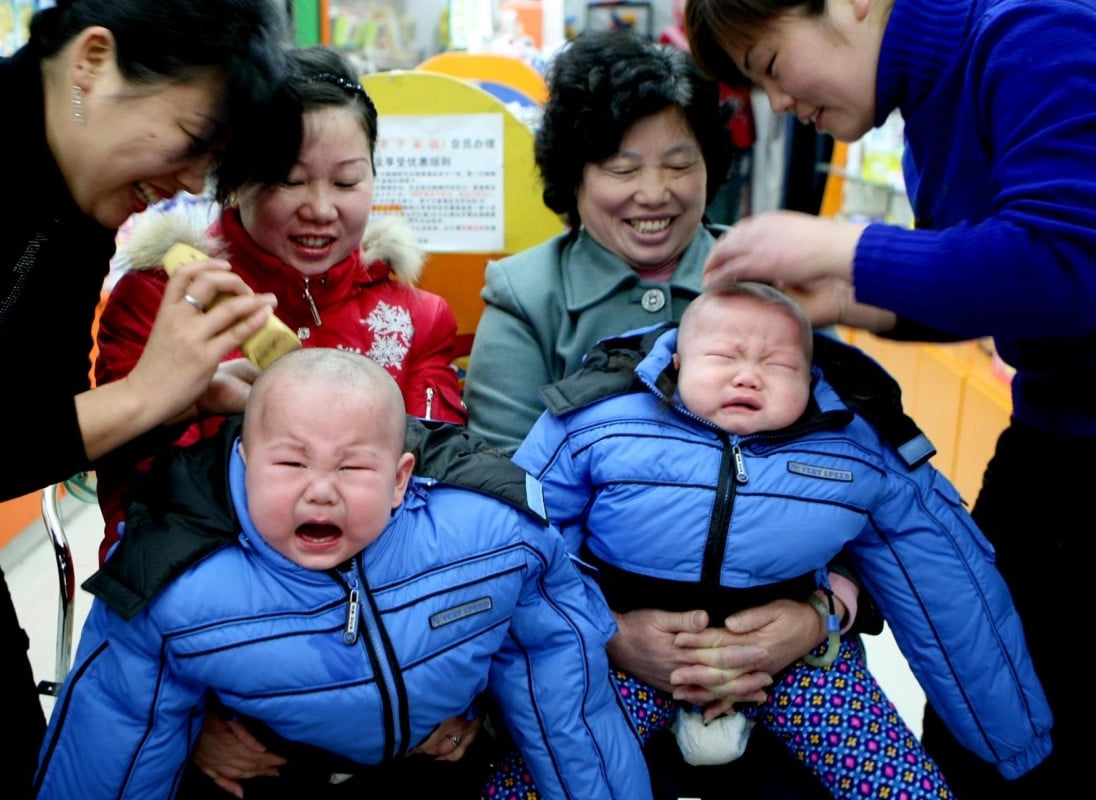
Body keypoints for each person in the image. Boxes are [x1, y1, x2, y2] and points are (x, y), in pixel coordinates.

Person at [683, 0, 1092, 795]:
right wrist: (841, 301)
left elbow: (1068, 259)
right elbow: (990, 288)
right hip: (1047, 432)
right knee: (982, 712)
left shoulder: (1034, 34)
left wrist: (846, 247)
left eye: (770, 66)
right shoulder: (925, 101)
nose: (783, 106)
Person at [463, 29, 872, 799]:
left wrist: (819, 616)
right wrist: (611, 635)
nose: (655, 192)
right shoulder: (525, 296)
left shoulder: (770, 286)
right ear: (572, 177)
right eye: (622, 167)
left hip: (784, 650)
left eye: (679, 164)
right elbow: (497, 499)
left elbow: (860, 472)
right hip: (593, 658)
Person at [0, 1, 288, 796]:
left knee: (6, 747)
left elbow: (29, 427)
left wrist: (178, 397)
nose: (188, 183)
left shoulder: (78, 201)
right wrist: (144, 396)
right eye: (193, 143)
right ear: (92, 60)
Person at [494, 282, 1052, 799]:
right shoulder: (597, 423)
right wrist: (601, 631)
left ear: (811, 378)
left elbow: (943, 575)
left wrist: (1012, 734)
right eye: (723, 358)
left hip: (797, 662)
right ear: (675, 360)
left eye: (778, 364)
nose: (748, 376)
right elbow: (522, 548)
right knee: (543, 776)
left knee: (901, 781)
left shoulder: (853, 446)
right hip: (619, 657)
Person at [89, 47, 472, 797]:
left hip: (395, 657)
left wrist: (449, 683)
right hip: (221, 676)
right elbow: (134, 511)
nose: (321, 208)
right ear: (230, 179)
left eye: (347, 179)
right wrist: (185, 714)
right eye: (288, 181)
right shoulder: (163, 300)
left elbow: (444, 498)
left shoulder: (418, 314)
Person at [31, 347, 652, 800]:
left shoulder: (492, 535)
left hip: (438, 762)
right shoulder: (171, 578)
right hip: (266, 773)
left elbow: (568, 692)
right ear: (244, 461)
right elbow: (114, 745)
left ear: (400, 478)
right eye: (290, 462)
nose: (320, 491)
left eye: (353, 469)